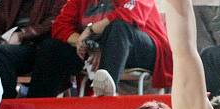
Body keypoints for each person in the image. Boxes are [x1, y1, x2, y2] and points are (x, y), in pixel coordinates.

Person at [39, 0, 172, 98]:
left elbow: (131, 13)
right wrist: (87, 44)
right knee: (52, 46)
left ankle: (105, 91)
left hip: (146, 51)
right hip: (103, 52)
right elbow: (60, 25)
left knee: (119, 26)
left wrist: (91, 29)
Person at [0, 0, 66, 99]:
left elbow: (53, 22)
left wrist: (23, 34)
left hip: (37, 46)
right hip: (6, 43)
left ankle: (5, 102)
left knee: (1, 53)